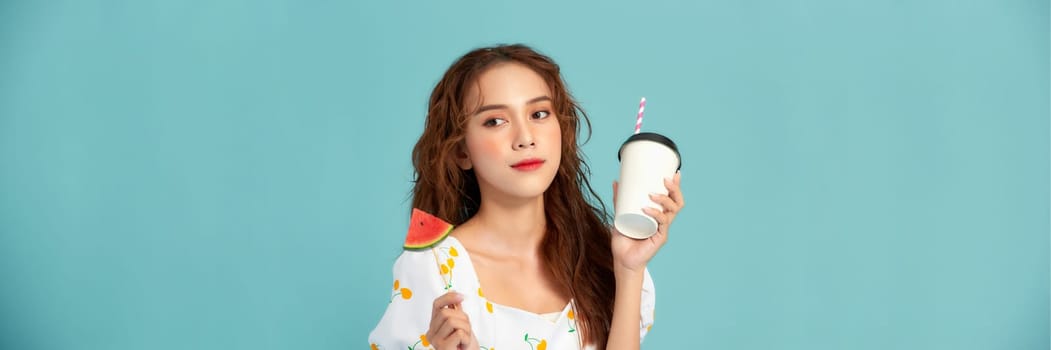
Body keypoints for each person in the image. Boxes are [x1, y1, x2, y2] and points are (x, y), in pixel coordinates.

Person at [368, 44, 685, 350]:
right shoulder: (432, 269)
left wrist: (629, 270)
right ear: (462, 150)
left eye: (539, 114)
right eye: (495, 121)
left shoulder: (604, 258)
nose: (525, 138)